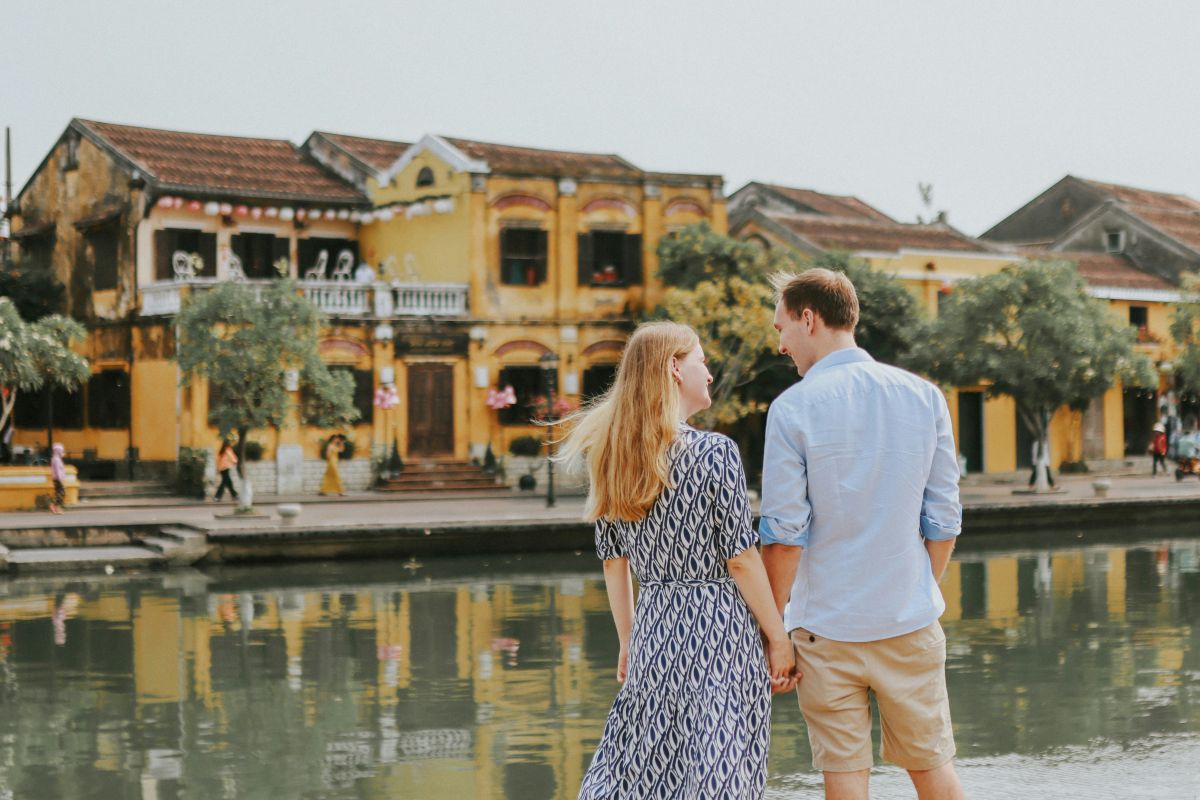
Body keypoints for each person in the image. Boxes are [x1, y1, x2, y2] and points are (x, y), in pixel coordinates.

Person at [563, 321, 796, 799]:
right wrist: (779, 637)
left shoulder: (609, 454)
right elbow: (740, 560)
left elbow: (614, 562)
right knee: (720, 763)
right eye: (701, 361)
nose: (708, 374)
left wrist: (630, 642)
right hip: (718, 631)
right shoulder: (715, 453)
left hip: (654, 629)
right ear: (674, 367)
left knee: (648, 772)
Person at [760, 269, 965, 800]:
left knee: (845, 781)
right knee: (934, 772)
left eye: (781, 326)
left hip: (824, 629)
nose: (781, 343)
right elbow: (943, 520)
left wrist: (774, 633)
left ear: (809, 318)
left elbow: (784, 535)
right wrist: (918, 584)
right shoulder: (925, 397)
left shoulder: (792, 408)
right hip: (909, 620)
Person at [48, 443, 66, 514]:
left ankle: (54, 507)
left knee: (58, 493)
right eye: (61, 451)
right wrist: (60, 479)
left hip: (56, 479)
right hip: (58, 479)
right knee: (61, 493)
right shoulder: (57, 460)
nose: (62, 452)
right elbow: (58, 470)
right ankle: (56, 507)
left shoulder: (55, 458)